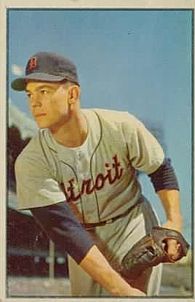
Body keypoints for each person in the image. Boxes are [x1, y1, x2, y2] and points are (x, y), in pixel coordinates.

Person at [11, 51, 183, 297]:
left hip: (132, 221)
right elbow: (66, 230)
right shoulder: (30, 162)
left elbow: (160, 169)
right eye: (29, 94)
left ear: (73, 94)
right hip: (83, 235)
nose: (34, 102)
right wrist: (119, 287)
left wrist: (174, 222)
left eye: (44, 91)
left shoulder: (120, 125)